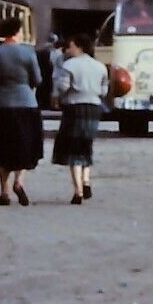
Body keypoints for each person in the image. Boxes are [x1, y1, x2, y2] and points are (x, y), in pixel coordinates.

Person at [0, 15, 42, 206]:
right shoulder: (28, 53)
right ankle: (19, 181)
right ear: (17, 32)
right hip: (26, 103)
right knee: (24, 144)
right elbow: (37, 79)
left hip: (0, 104)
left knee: (2, 147)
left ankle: (4, 192)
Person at [52, 33, 109, 204]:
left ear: (79, 47)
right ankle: (86, 180)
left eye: (71, 46)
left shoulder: (69, 65)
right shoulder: (100, 66)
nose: (68, 50)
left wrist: (57, 96)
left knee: (73, 149)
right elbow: (104, 90)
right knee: (86, 144)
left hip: (74, 107)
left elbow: (63, 87)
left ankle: (78, 191)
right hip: (94, 108)